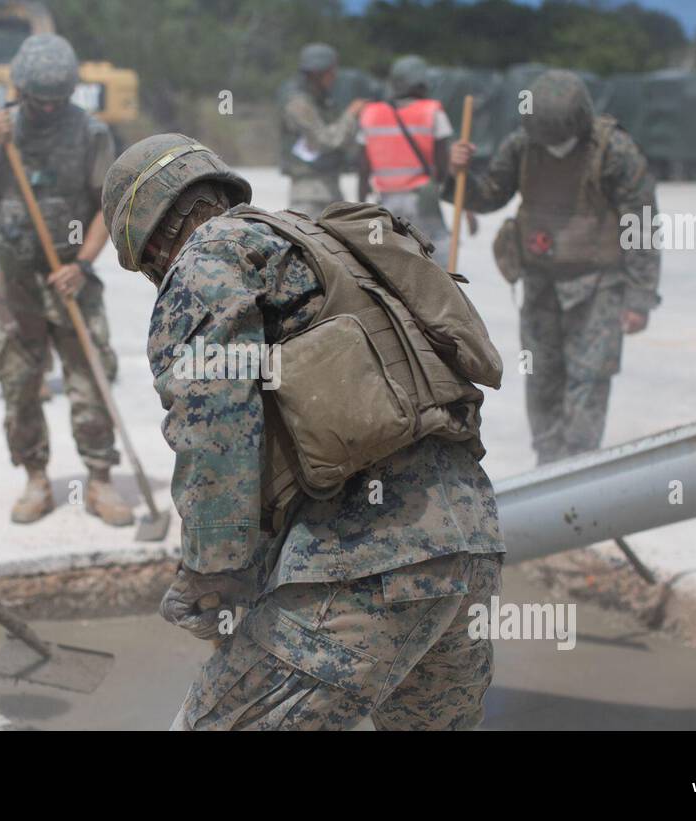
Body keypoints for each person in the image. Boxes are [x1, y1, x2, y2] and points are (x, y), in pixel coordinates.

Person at [102, 133, 506, 730]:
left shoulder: (208, 259)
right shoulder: (322, 246)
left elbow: (215, 430)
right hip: (470, 544)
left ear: (155, 238)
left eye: (148, 266)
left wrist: (210, 575)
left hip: (365, 562)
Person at [0, 33, 132, 526]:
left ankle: (100, 480)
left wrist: (84, 263)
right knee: (19, 383)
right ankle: (35, 478)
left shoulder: (91, 133)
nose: (50, 110)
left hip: (71, 280)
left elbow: (106, 207)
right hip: (16, 286)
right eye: (40, 101)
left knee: (91, 381)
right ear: (21, 91)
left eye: (59, 101)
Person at [450, 69, 661, 464]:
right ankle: (547, 472)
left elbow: (641, 226)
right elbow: (488, 195)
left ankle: (578, 476)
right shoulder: (522, 146)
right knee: (542, 381)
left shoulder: (615, 151)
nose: (554, 147)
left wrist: (640, 297)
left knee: (588, 384)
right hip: (540, 285)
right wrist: (456, 172)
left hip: (598, 289)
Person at [357, 54, 454, 258]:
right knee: (435, 259)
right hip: (421, 200)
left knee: (389, 261)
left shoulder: (370, 113)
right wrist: (439, 188)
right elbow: (443, 165)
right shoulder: (432, 111)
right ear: (422, 82)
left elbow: (363, 166)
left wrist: (361, 204)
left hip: (385, 203)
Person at [280, 43, 365, 216]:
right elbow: (326, 140)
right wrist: (351, 115)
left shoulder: (320, 102)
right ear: (317, 74)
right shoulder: (298, 104)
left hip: (328, 191)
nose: (334, 77)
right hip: (309, 196)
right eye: (330, 73)